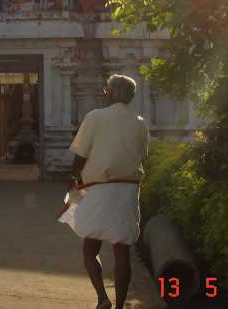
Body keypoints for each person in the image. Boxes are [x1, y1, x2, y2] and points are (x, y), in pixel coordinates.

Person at [58, 74, 149, 309]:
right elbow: (142, 156)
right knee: (122, 251)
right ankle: (119, 306)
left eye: (106, 89)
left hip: (97, 190)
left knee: (90, 249)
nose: (104, 92)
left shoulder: (95, 117)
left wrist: (73, 179)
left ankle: (102, 298)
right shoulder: (140, 122)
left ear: (111, 93)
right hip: (127, 191)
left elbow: (80, 156)